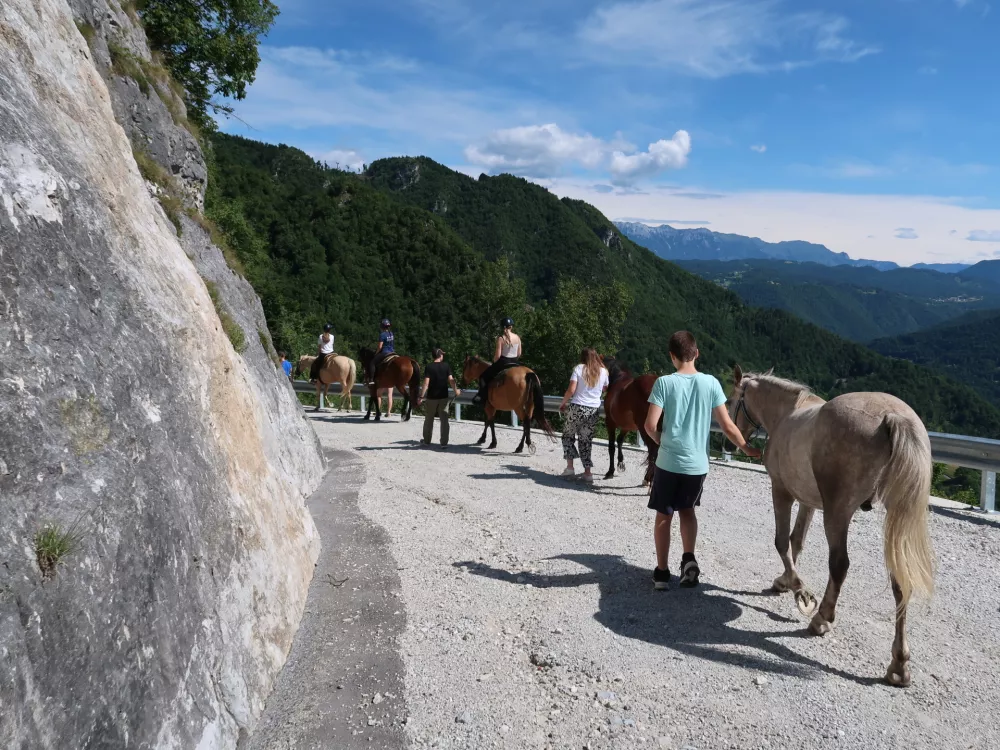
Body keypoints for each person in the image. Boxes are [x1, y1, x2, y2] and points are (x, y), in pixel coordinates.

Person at [643, 331, 761, 590]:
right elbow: (728, 425)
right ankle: (688, 561)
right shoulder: (711, 384)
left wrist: (663, 441)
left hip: (668, 463)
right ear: (696, 353)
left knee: (664, 516)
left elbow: (650, 425)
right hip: (697, 466)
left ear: (672, 356)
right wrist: (746, 447)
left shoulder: (664, 383)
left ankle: (662, 574)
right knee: (688, 511)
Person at [558, 347, 610, 483]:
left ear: (583, 357)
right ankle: (588, 473)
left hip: (577, 407)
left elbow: (571, 389)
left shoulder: (579, 368)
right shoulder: (603, 371)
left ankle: (570, 467)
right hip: (593, 410)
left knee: (568, 435)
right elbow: (605, 388)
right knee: (586, 440)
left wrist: (563, 403)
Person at [472, 317, 521, 405]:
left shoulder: (501, 338)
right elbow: (519, 353)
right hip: (515, 363)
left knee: (483, 377)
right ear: (511, 327)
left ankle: (482, 398)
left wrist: (494, 363)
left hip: (503, 362)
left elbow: (497, 356)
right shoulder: (517, 337)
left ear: (503, 327)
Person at [418, 347, 461, 447]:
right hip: (443, 397)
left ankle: (427, 441)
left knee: (429, 419)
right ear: (440, 355)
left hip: (431, 397)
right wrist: (456, 391)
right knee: (444, 420)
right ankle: (444, 443)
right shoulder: (446, 366)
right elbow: (451, 380)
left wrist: (421, 396)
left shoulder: (429, 367)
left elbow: (426, 383)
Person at [366, 318, 395, 385]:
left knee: (372, 362)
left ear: (382, 326)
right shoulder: (391, 333)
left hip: (385, 352)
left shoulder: (382, 335)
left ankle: (371, 379)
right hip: (392, 352)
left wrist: (376, 353)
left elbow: (380, 347)